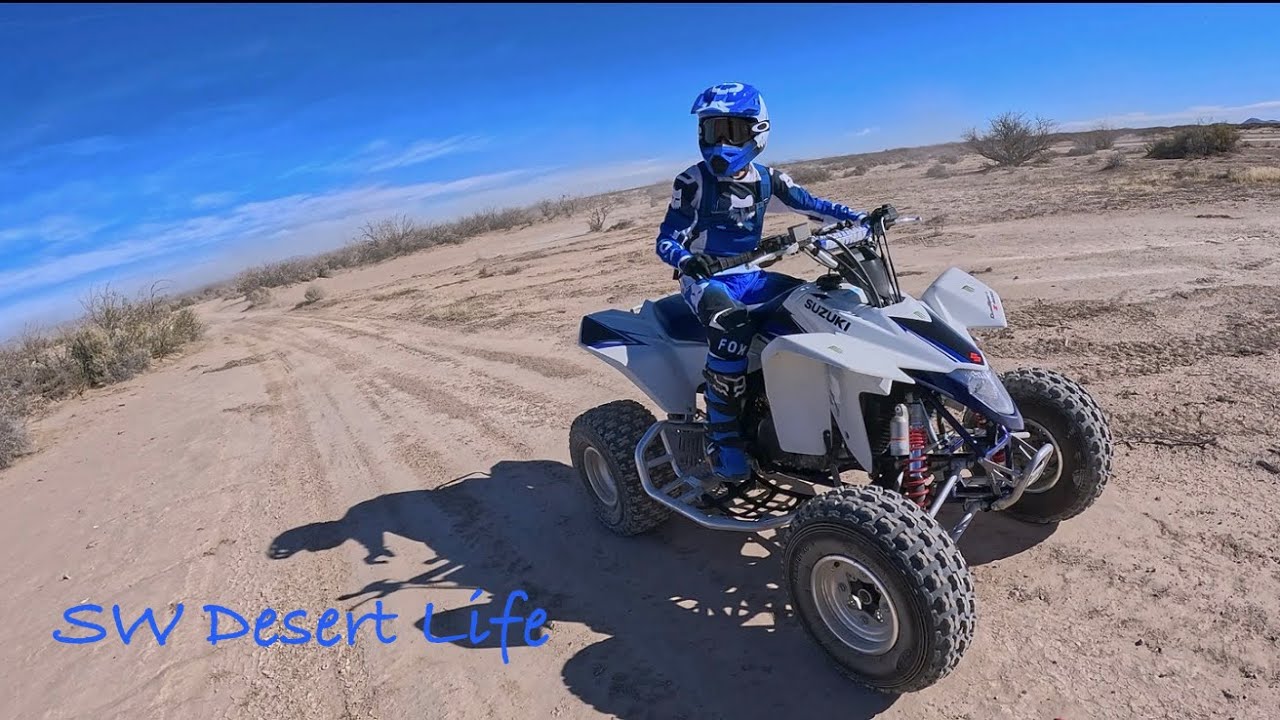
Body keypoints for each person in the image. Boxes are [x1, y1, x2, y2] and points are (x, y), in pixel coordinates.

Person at [654, 82, 873, 484]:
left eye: (731, 132)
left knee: (820, 304)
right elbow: (666, 239)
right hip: (707, 279)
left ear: (758, 131)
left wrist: (864, 219)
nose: (720, 143)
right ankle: (725, 441)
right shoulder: (692, 183)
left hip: (753, 274)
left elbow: (816, 207)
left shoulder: (769, 181)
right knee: (730, 325)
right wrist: (688, 259)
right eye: (710, 131)